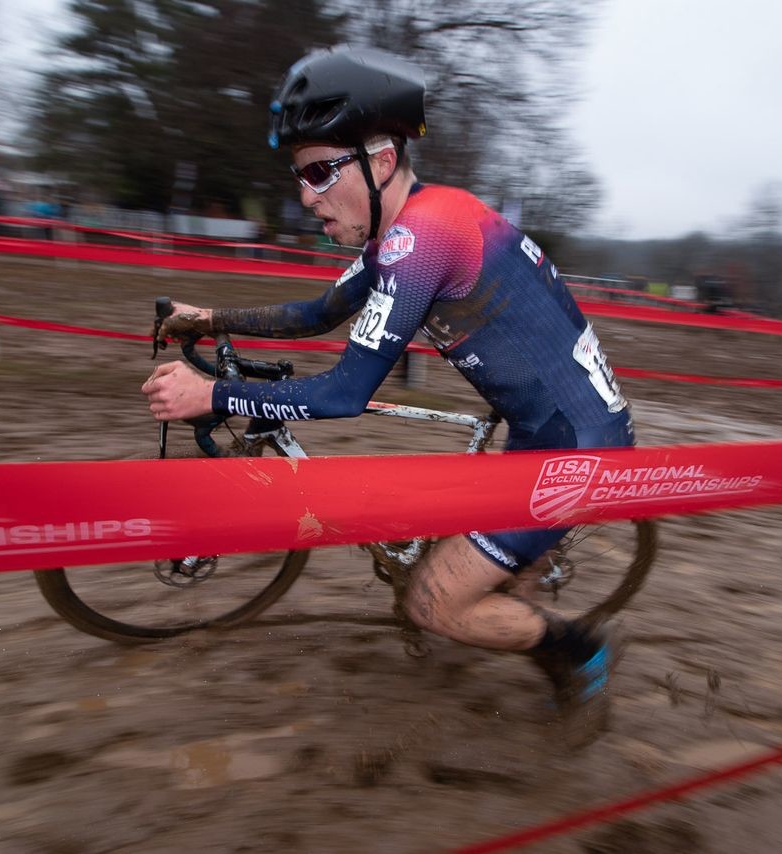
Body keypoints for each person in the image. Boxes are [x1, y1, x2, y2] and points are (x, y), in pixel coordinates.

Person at [141, 47, 635, 743]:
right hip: (544, 425)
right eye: (300, 177)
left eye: (319, 173)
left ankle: (582, 652)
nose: (307, 198)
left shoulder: (424, 238)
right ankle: (523, 592)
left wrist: (215, 396)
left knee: (434, 602)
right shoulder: (402, 234)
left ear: (378, 161)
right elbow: (318, 313)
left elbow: (346, 392)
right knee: (494, 574)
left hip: (578, 449)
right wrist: (210, 319)